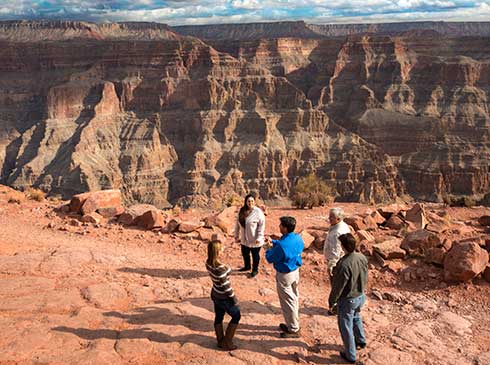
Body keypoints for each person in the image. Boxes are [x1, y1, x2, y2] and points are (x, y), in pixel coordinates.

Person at [329, 233, 368, 365]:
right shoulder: (362, 257)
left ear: (343, 246)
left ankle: (350, 355)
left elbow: (338, 287)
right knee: (356, 317)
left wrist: (332, 301)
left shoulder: (344, 264)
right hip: (360, 294)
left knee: (346, 326)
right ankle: (361, 340)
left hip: (348, 299)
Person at [265, 216, 304, 338]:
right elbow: (287, 245)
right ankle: (293, 323)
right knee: (294, 298)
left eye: (281, 225)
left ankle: (293, 329)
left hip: (284, 275)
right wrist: (275, 242)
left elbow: (270, 258)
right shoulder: (297, 238)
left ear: (285, 228)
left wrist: (267, 248)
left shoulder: (282, 246)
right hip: (295, 271)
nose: (279, 227)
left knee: (288, 302)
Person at [206, 234, 241, 350]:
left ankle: (220, 340)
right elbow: (226, 286)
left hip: (215, 293)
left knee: (219, 317)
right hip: (224, 296)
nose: (223, 249)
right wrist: (234, 298)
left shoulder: (209, 263)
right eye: (221, 248)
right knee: (236, 316)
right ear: (217, 251)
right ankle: (227, 342)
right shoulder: (221, 268)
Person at [234, 193, 266, 278]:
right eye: (248, 201)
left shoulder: (258, 212)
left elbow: (261, 226)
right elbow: (237, 224)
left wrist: (259, 237)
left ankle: (255, 270)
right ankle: (247, 266)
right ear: (245, 202)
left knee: (255, 255)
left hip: (255, 239)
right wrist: (236, 235)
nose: (250, 202)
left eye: (252, 201)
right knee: (245, 253)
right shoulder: (242, 211)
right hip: (244, 239)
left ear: (254, 202)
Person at [324, 207, 351, 279]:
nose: (329, 218)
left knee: (336, 284)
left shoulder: (336, 232)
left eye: (331, 217)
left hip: (337, 263)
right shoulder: (343, 225)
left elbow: (335, 250)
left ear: (338, 219)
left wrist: (331, 265)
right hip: (344, 260)